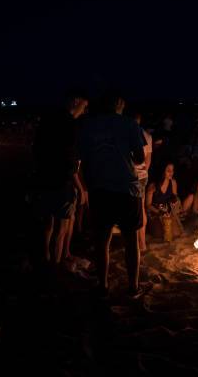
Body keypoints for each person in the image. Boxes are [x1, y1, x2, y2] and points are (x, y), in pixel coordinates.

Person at [78, 92, 145, 297]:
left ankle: (103, 284)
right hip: (126, 188)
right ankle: (133, 286)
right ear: (120, 104)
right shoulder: (129, 124)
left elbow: (82, 157)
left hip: (100, 189)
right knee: (131, 241)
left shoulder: (89, 125)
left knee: (102, 240)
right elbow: (140, 158)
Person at [32, 92, 88, 265]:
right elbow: (69, 162)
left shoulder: (50, 121)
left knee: (48, 222)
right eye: (84, 106)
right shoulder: (70, 125)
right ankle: (55, 265)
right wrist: (80, 187)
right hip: (62, 183)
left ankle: (45, 256)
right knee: (62, 227)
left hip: (45, 179)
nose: (85, 111)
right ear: (75, 102)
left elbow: (37, 150)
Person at [145, 162, 180, 237]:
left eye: (172, 170)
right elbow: (148, 205)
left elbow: (175, 196)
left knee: (175, 233)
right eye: (168, 170)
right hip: (154, 212)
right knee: (160, 234)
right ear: (163, 171)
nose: (171, 173)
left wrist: (174, 201)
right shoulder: (153, 185)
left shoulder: (173, 182)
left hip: (167, 212)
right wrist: (159, 212)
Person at [134, 113, 153, 251]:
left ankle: (140, 244)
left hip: (134, 177)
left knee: (137, 210)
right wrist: (143, 172)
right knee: (141, 209)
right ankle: (142, 244)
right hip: (143, 176)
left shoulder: (130, 133)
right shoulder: (147, 135)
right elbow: (148, 160)